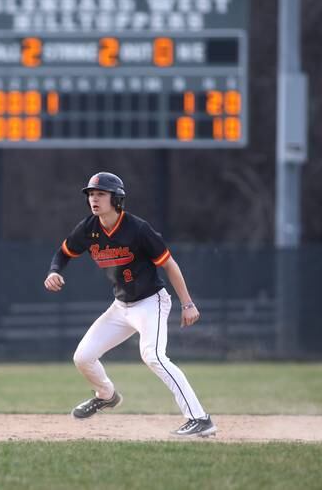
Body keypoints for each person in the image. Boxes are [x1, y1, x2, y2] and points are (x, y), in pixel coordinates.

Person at [43, 171, 216, 437]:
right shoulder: (89, 228)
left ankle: (200, 418)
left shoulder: (137, 229)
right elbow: (63, 253)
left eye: (101, 194)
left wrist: (188, 303)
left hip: (150, 302)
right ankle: (107, 395)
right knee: (83, 357)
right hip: (121, 307)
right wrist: (55, 271)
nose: (94, 199)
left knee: (153, 356)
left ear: (117, 199)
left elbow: (169, 263)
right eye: (91, 194)